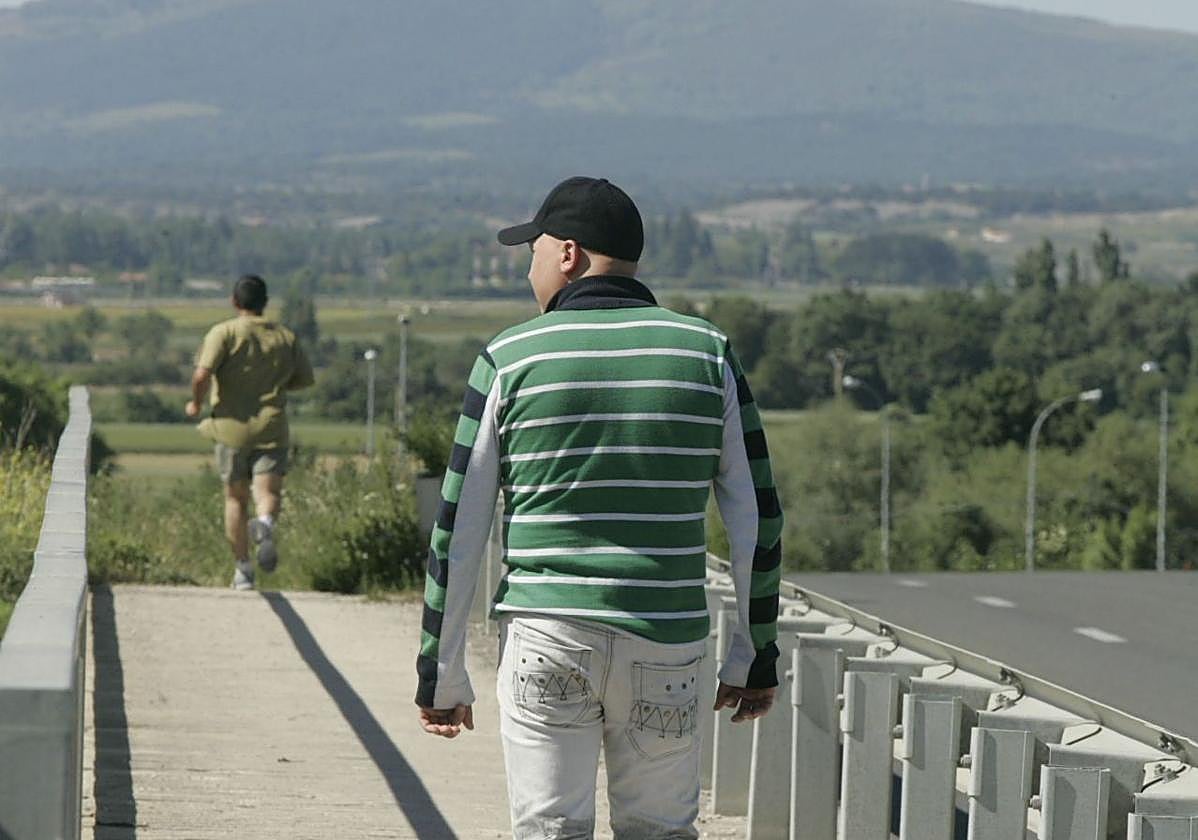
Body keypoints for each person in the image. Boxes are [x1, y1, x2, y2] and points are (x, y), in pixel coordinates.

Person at [415, 177, 782, 839]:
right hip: (665, 644)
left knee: (551, 829)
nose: (528, 267)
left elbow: (458, 529)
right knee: (660, 830)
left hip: (546, 638)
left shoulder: (509, 358)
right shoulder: (706, 354)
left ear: (569, 254)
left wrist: (440, 673)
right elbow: (757, 516)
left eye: (534, 249)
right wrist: (751, 656)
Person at [185, 274, 315, 591]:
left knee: (235, 499)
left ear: (234, 301)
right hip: (272, 427)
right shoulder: (285, 336)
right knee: (267, 494)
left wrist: (196, 403)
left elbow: (202, 374)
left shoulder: (224, 332)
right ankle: (266, 524)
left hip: (230, 429)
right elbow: (304, 379)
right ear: (265, 303)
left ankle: (243, 569)